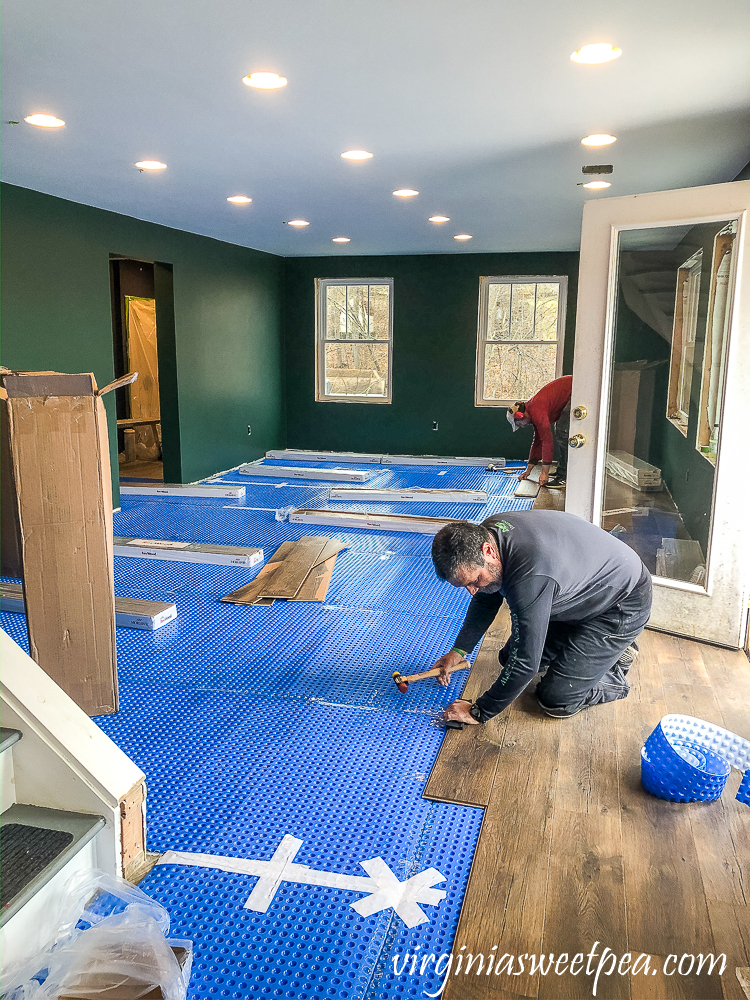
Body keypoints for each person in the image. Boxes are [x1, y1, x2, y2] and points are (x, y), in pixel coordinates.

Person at [429, 510, 652, 727]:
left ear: (488, 551)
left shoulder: (530, 575)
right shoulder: (486, 535)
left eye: (474, 580)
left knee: (556, 698)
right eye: (465, 585)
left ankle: (615, 666)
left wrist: (479, 711)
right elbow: (487, 597)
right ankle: (588, 650)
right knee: (508, 658)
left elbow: (526, 662)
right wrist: (459, 651)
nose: (472, 590)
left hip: (620, 604)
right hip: (580, 596)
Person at [507, 374, 572, 488]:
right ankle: (562, 471)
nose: (521, 427)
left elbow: (547, 441)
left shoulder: (536, 410)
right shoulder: (533, 410)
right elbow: (537, 441)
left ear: (520, 416)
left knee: (562, 433)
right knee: (561, 433)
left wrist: (544, 472)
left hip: (577, 389)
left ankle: (563, 477)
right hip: (571, 390)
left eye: (519, 424)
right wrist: (528, 470)